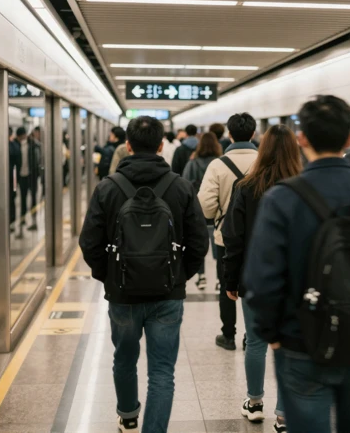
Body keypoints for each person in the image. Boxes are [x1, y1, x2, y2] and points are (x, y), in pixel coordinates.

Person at [243, 95, 350, 432]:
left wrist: (273, 335)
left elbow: (261, 280)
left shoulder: (283, 198)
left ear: (302, 138)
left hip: (299, 340)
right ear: (349, 139)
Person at [78, 116, 208, 433]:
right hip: (168, 294)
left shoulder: (108, 188)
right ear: (161, 146)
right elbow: (199, 242)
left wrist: (109, 276)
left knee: (124, 357)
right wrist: (179, 275)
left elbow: (89, 243)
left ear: (128, 145)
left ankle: (128, 415)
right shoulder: (180, 187)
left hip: (122, 294)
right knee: (162, 371)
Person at [222, 124, 302, 432]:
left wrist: (231, 281)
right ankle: (283, 414)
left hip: (256, 277)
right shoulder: (302, 186)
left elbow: (234, 238)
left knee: (255, 341)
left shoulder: (246, 186)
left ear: (262, 148)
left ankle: (254, 403)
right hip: (294, 279)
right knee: (289, 343)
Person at [198, 113, 259, 350]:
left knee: (227, 284)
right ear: (253, 134)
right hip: (261, 237)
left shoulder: (218, 164)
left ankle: (228, 335)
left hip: (226, 235)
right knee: (254, 286)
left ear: (229, 134)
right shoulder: (265, 162)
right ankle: (250, 335)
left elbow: (205, 203)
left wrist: (219, 216)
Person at [182, 133, 223, 290]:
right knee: (218, 245)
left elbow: (185, 184)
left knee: (198, 245)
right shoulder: (220, 163)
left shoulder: (192, 163)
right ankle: (220, 279)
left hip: (197, 210)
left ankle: (202, 277)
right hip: (218, 212)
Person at [9, 127, 42, 235]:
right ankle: (23, 221)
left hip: (31, 176)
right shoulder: (16, 145)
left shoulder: (32, 144)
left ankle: (33, 221)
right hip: (21, 176)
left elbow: (37, 159)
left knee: (33, 198)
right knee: (22, 199)